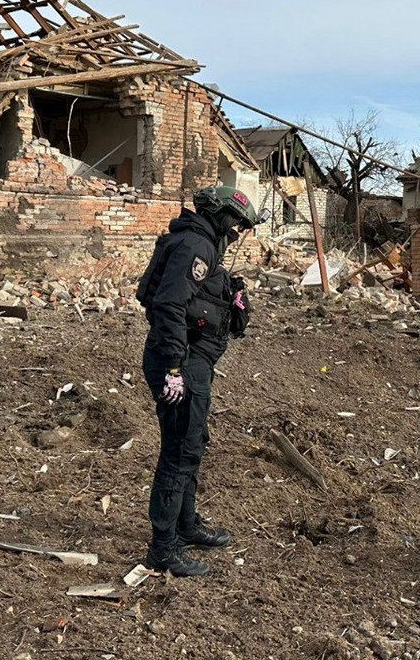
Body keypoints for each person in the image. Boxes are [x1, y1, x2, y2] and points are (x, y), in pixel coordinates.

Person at [134, 185, 257, 577]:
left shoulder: (200, 244)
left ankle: (185, 526)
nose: (237, 231)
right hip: (181, 362)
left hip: (193, 361)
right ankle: (163, 549)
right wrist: (173, 368)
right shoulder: (195, 246)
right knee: (179, 450)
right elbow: (168, 305)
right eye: (235, 222)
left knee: (192, 443)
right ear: (218, 214)